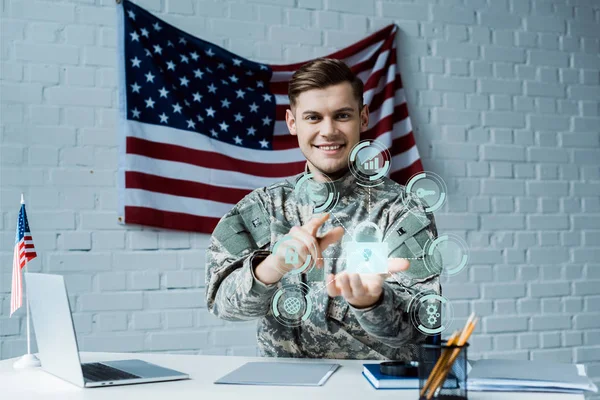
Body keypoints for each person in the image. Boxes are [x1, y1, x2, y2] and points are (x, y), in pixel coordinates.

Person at [205, 58, 440, 360]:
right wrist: (273, 266)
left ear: (363, 118)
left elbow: (423, 325)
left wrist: (373, 302)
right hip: (285, 386)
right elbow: (222, 306)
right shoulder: (261, 209)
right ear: (293, 123)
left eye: (342, 115)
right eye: (313, 117)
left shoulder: (402, 210)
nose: (328, 131)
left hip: (371, 387)